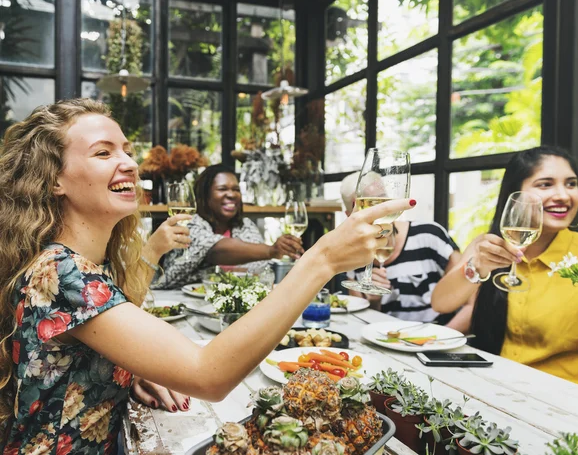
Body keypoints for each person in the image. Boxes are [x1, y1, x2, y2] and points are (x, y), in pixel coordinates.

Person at [0, 98, 416, 453]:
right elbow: (208, 374)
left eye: (126, 150)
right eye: (103, 153)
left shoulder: (83, 263)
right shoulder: (60, 272)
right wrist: (322, 259)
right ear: (54, 179)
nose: (128, 162)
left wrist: (125, 368)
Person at [431, 146, 578, 390]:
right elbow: (440, 302)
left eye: (571, 184)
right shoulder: (488, 246)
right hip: (500, 392)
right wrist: (477, 267)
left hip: (571, 399)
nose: (563, 195)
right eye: (545, 184)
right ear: (515, 194)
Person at [340, 172, 470, 331]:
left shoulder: (428, 235)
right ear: (349, 216)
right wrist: (375, 301)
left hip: (439, 340)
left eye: (381, 202)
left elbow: (472, 301)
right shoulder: (352, 255)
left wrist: (440, 340)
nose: (377, 212)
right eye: (364, 208)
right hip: (385, 342)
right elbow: (363, 322)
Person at [154, 164, 303, 289]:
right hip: (178, 301)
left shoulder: (245, 225)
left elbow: (261, 269)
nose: (231, 194)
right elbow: (215, 249)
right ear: (206, 195)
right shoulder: (191, 222)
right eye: (222, 189)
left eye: (236, 189)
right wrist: (272, 250)